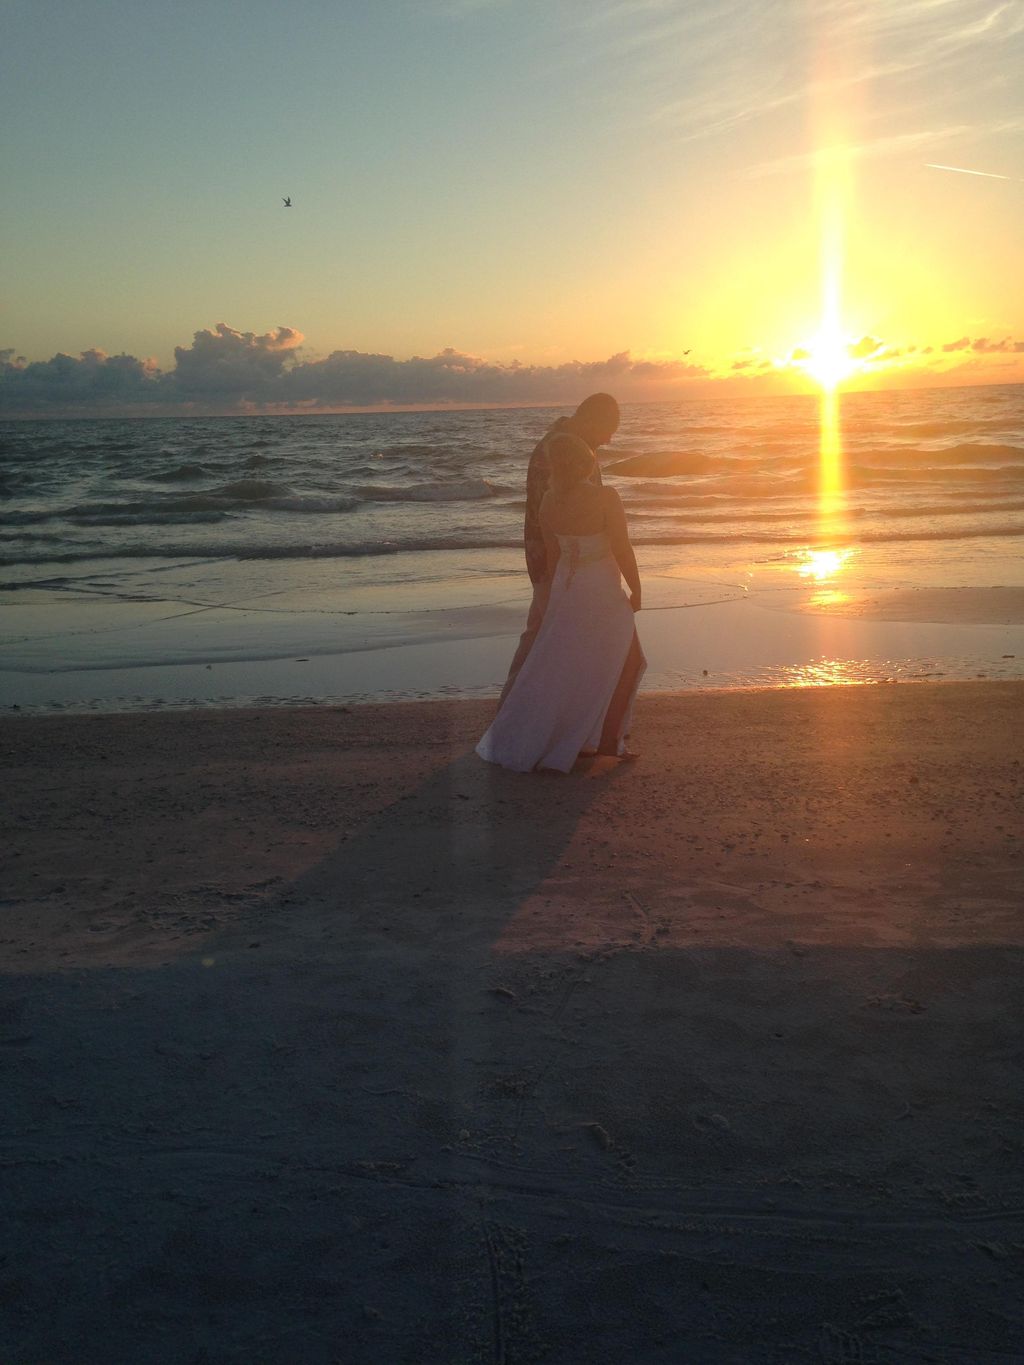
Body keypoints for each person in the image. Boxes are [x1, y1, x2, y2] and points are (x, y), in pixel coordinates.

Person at [476, 431, 645, 773]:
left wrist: (554, 602)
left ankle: (583, 739)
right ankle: (609, 744)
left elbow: (554, 558)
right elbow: (622, 548)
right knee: (629, 662)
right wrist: (637, 588)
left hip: (568, 592)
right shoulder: (606, 497)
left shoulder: (549, 501)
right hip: (601, 591)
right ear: (585, 461)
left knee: (572, 667)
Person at [498, 393, 620, 704]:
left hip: (571, 562)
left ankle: (563, 713)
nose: (608, 440)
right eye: (608, 430)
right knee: (540, 630)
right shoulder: (554, 452)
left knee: (559, 634)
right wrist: (560, 571)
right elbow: (550, 517)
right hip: (555, 562)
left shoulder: (574, 447)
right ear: (591, 419)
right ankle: (509, 710)